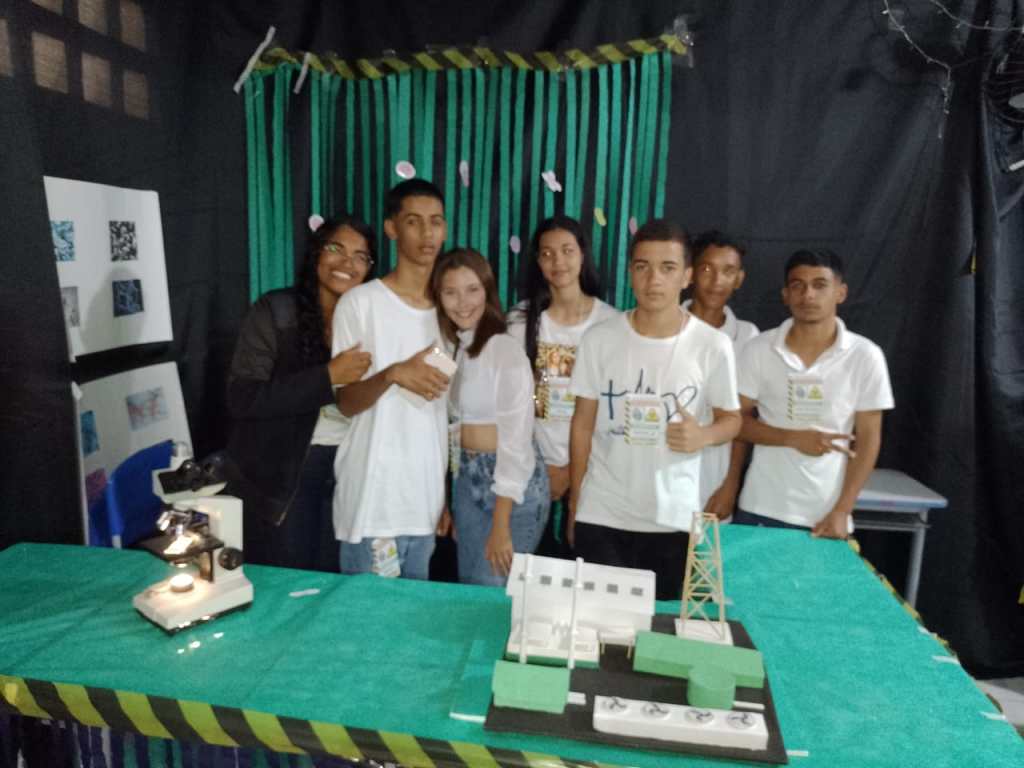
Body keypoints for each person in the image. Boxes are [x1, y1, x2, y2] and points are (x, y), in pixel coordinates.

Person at [568, 219, 741, 599]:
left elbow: (733, 420)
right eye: (643, 267)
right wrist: (576, 501)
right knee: (599, 622)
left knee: (658, 629)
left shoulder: (712, 346)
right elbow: (582, 425)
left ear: (687, 276)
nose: (654, 280)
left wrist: (703, 435)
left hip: (672, 519)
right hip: (602, 511)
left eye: (668, 268)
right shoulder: (600, 339)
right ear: (630, 271)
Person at [225, 214, 375, 571]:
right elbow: (242, 398)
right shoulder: (276, 311)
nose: (347, 263)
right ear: (316, 252)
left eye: (360, 256)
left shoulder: (371, 318)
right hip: (288, 473)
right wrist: (327, 376)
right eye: (336, 248)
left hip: (353, 468)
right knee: (289, 582)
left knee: (336, 584)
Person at [331, 179, 452, 579]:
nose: (427, 233)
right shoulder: (361, 304)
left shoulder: (451, 311)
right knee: (367, 618)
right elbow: (346, 403)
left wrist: (443, 496)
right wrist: (392, 374)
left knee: (414, 616)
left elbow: (445, 416)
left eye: (436, 221)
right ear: (392, 228)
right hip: (372, 505)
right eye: (413, 221)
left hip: (424, 504)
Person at [735, 249, 894, 538]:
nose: (808, 295)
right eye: (798, 285)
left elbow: (869, 439)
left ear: (841, 293)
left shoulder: (865, 356)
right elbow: (735, 423)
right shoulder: (758, 349)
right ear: (785, 295)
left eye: (820, 285)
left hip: (826, 515)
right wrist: (793, 438)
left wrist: (843, 510)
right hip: (760, 506)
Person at [434, 249, 549, 586]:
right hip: (467, 479)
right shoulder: (452, 349)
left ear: (487, 290)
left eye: (472, 289)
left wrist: (501, 525)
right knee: (471, 588)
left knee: (492, 591)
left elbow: (516, 442)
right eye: (450, 292)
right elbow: (447, 425)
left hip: (512, 490)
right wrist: (447, 498)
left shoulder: (504, 349)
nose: (462, 302)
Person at [507, 216, 617, 556]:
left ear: (583, 255)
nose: (558, 262)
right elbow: (510, 407)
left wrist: (572, 471)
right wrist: (542, 471)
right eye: (547, 253)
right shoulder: (519, 321)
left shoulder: (611, 324)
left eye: (567, 251)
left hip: (593, 476)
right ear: (537, 262)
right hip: (530, 473)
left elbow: (612, 412)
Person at [682, 230, 759, 522]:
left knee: (705, 550)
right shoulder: (664, 324)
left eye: (728, 271)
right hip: (660, 472)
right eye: (707, 269)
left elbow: (743, 417)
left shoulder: (748, 337)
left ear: (739, 278)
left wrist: (730, 482)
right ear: (690, 273)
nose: (716, 281)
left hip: (715, 478)